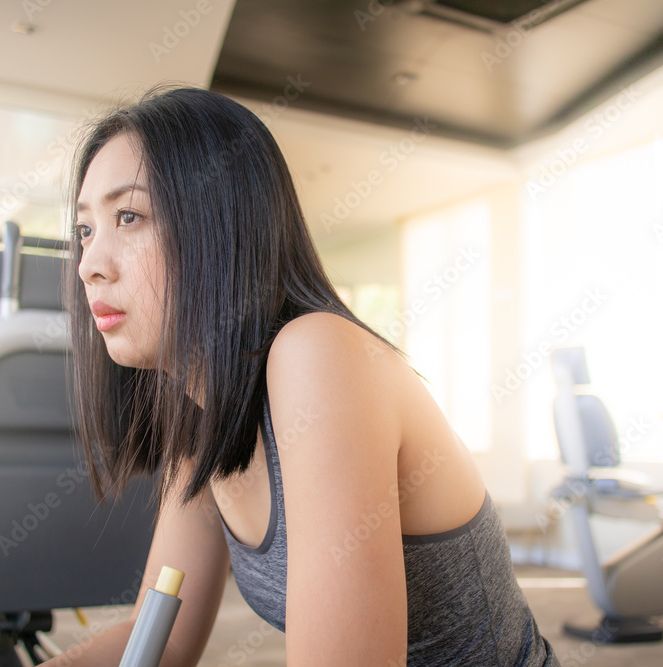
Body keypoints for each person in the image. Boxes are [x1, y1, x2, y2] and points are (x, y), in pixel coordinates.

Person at [43, 84, 560, 666]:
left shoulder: (320, 354)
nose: (88, 265)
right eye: (85, 230)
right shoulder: (199, 422)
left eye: (129, 216)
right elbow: (158, 640)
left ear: (223, 227)